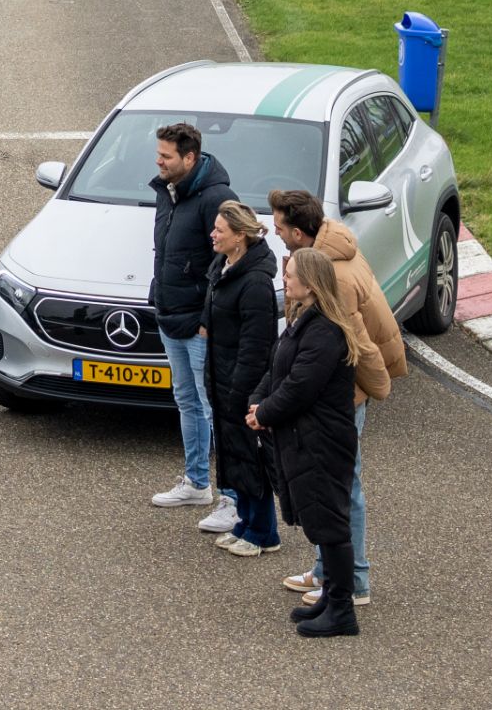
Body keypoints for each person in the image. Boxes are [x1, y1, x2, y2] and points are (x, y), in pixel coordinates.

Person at [269, 191, 409, 608]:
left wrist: (370, 390)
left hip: (344, 392)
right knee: (334, 484)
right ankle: (328, 570)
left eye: (279, 228)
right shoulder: (327, 251)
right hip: (340, 386)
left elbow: (356, 344)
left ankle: (355, 581)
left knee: (341, 485)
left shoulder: (334, 278)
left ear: (298, 232)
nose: (275, 234)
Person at [248, 247, 378, 637]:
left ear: (310, 282)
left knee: (331, 524)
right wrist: (257, 400)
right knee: (320, 522)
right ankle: (331, 596)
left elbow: (301, 386)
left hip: (322, 442)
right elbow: (278, 368)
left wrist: (265, 413)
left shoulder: (324, 331)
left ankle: (342, 610)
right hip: (305, 438)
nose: (284, 280)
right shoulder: (305, 320)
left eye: (290, 275)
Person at [145, 122, 243, 531]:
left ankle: (233, 499)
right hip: (170, 315)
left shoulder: (218, 199)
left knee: (214, 409)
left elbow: (232, 259)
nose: (159, 161)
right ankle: (197, 482)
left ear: (189, 157)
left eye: (166, 156)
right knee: (186, 400)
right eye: (159, 154)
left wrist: (208, 319)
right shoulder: (167, 192)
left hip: (200, 327)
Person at [195, 201, 283, 556]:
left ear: (241, 237)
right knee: (234, 457)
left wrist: (241, 393)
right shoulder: (223, 266)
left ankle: (264, 533)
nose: (213, 234)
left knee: (252, 459)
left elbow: (256, 347)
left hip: (243, 387)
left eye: (220, 230)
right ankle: (245, 522)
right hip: (223, 380)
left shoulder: (256, 284)